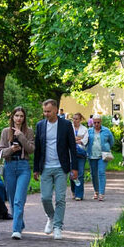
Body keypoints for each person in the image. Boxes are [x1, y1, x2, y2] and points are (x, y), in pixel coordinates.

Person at [33, 99, 78, 239]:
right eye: (44, 111)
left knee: (60, 199)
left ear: (56, 110)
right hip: (45, 167)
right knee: (45, 197)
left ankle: (58, 226)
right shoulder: (40, 125)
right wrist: (35, 169)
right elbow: (38, 149)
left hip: (61, 167)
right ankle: (51, 217)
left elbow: (72, 147)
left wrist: (74, 168)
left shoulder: (65, 125)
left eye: (49, 111)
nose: (46, 114)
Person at [0, 106, 35, 239]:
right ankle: (20, 223)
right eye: (17, 115)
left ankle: (16, 230)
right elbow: (0, 152)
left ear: (24, 118)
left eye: (21, 116)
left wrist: (21, 137)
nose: (19, 118)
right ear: (12, 117)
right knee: (13, 199)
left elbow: (31, 149)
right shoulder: (5, 132)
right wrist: (11, 149)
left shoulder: (28, 131)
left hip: (23, 166)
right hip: (9, 166)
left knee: (19, 199)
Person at [86, 114, 115, 200]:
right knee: (93, 174)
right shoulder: (89, 131)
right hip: (92, 155)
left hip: (103, 156)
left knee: (101, 173)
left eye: (98, 122)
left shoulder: (106, 131)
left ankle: (102, 193)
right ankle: (96, 191)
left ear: (101, 122)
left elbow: (111, 141)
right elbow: (85, 141)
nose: (96, 124)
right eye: (95, 122)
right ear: (92, 123)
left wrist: (107, 148)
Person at [70, 112, 89, 201]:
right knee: (72, 174)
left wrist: (78, 140)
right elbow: (68, 139)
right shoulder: (69, 128)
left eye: (76, 119)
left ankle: (79, 194)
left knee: (80, 173)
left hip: (81, 153)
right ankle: (73, 190)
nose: (74, 120)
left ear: (80, 120)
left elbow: (85, 140)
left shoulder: (84, 129)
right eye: (73, 119)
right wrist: (77, 138)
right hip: (70, 153)